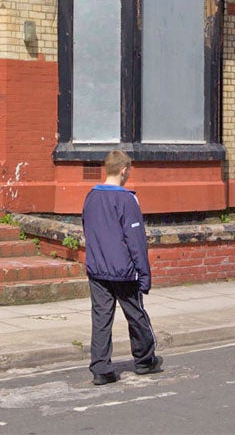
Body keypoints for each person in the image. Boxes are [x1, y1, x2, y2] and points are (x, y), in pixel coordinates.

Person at [81, 150, 162, 385]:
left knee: (101, 318)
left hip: (97, 268)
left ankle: (101, 369)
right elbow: (136, 240)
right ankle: (145, 360)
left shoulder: (90, 197)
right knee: (136, 315)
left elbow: (88, 229)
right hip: (124, 270)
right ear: (125, 170)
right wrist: (144, 275)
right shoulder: (127, 199)